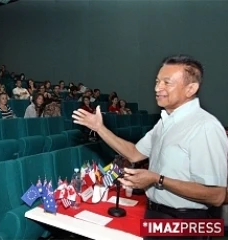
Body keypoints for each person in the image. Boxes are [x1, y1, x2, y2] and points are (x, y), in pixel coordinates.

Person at [72, 55, 227, 240]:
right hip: (156, 215)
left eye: (166, 83)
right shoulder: (165, 123)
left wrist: (157, 179)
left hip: (185, 223)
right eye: (157, 81)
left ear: (191, 88)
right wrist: (99, 128)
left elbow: (217, 195)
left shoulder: (205, 127)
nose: (157, 88)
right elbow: (134, 153)